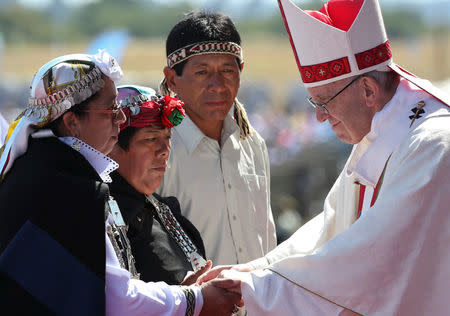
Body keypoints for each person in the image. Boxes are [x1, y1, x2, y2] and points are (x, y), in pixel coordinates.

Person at [198, 0, 450, 315]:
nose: (318, 117)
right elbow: (331, 226)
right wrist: (255, 271)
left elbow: (374, 256)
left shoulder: (433, 146)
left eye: (323, 101)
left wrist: (257, 285)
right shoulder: (380, 132)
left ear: (369, 91)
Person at [0, 52, 241, 316]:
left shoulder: (45, 170)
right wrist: (196, 299)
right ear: (72, 122)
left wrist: (186, 295)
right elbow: (114, 300)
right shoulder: (68, 189)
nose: (121, 120)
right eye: (111, 111)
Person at [158, 11, 276, 266]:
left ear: (240, 72)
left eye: (227, 70)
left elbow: (266, 239)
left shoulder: (252, 144)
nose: (218, 85)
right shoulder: (159, 151)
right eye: (202, 72)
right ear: (172, 79)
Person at [108, 85, 208, 285]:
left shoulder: (164, 211)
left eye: (168, 138)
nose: (164, 151)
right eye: (151, 138)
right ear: (112, 146)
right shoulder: (103, 219)